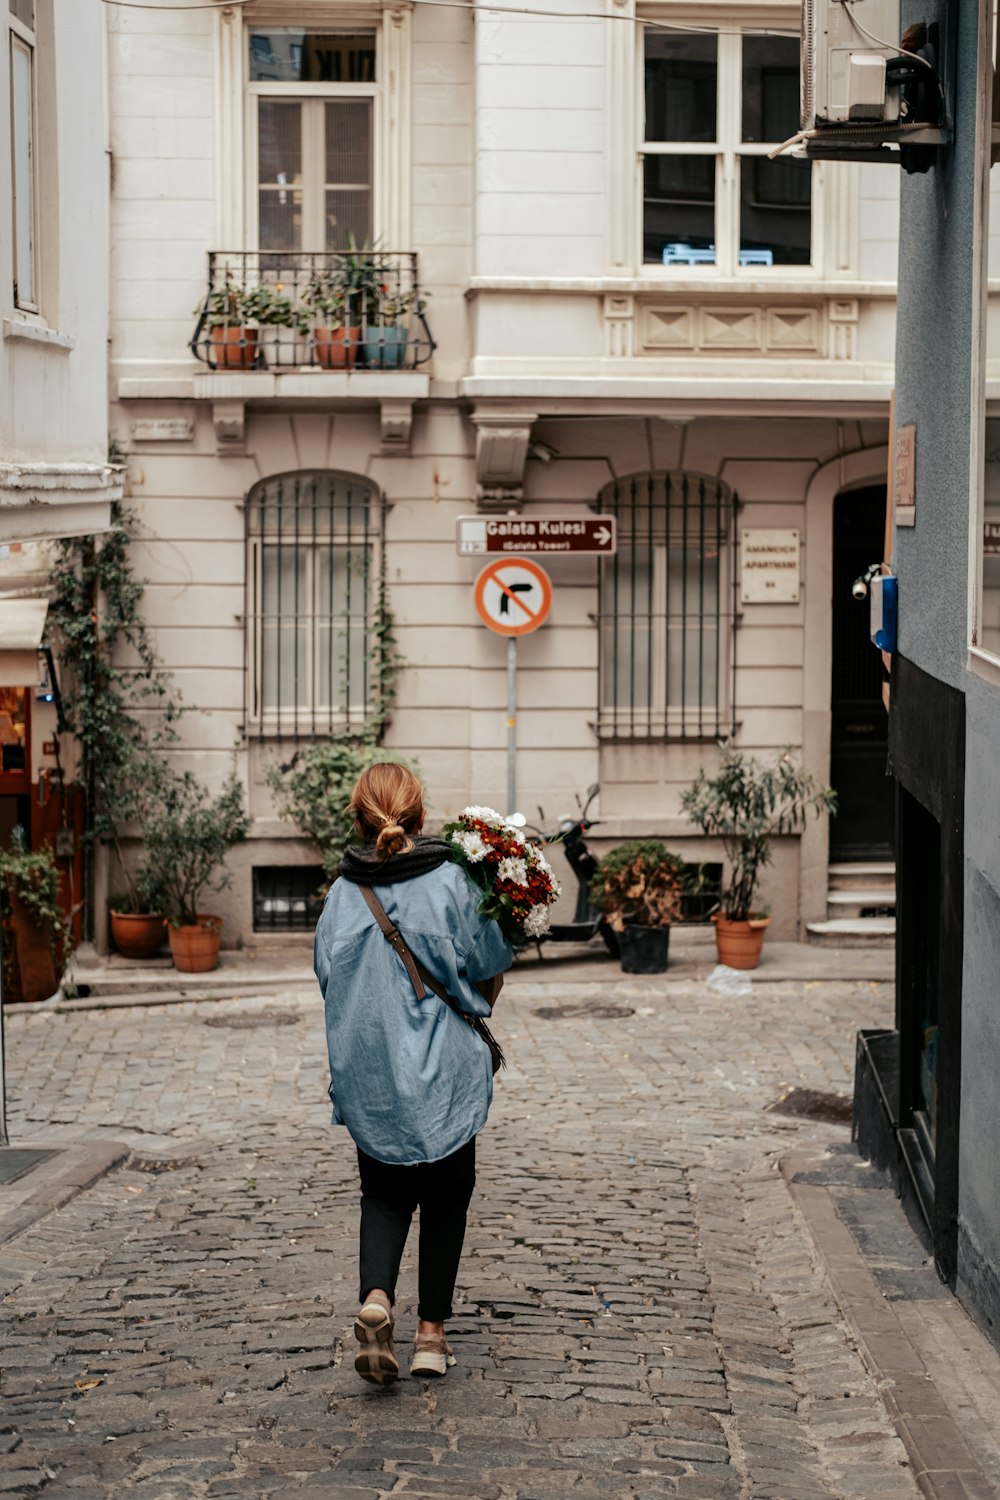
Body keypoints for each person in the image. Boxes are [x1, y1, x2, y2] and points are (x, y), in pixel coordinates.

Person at [314, 762, 511, 1385]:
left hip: (371, 1072)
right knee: (448, 1195)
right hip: (444, 1071)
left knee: (384, 1190)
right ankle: (430, 1336)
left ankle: (377, 1300)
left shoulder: (341, 896)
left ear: (358, 816)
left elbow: (328, 982)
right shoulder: (453, 881)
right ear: (421, 815)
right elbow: (488, 968)